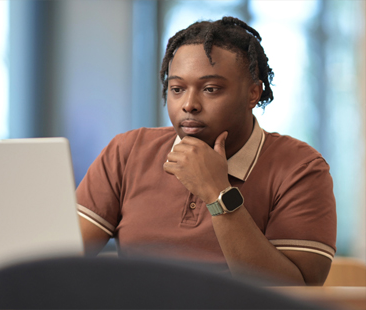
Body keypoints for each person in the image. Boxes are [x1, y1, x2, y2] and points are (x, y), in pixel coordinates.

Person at [76, 16, 336, 286]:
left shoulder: (302, 168)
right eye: (177, 89)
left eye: (210, 89)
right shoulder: (127, 152)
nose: (189, 104)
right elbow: (59, 260)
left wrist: (217, 193)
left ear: (253, 94)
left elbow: (295, 293)